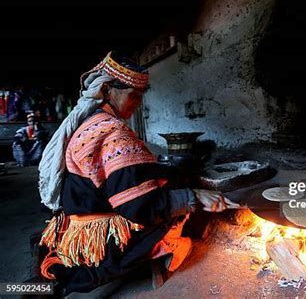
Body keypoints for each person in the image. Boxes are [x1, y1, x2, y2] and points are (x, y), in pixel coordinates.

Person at [35, 51, 240, 296]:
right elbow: (139, 209)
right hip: (97, 237)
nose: (137, 103)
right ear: (109, 89)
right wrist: (192, 196)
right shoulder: (114, 133)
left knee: (169, 179)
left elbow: (123, 173)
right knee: (170, 210)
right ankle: (164, 247)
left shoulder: (92, 121)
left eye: (141, 97)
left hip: (77, 219)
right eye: (133, 96)